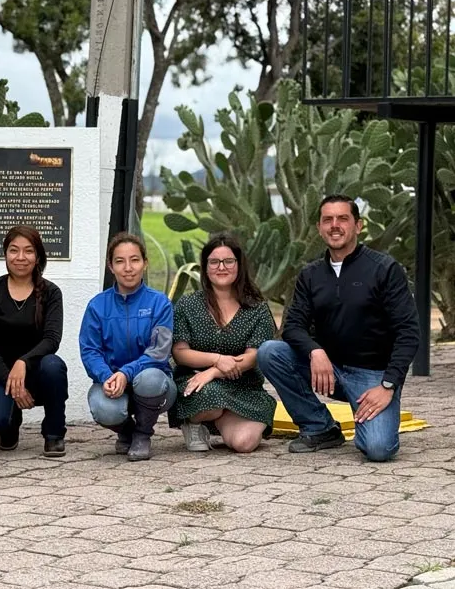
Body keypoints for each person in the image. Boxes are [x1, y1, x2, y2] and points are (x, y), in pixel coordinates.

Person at [257, 195, 421, 462]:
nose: (335, 225)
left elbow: (409, 331)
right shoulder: (310, 275)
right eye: (328, 220)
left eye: (343, 219)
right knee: (270, 352)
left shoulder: (384, 269)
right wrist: (315, 351)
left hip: (373, 377)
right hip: (327, 370)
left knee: (378, 449)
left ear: (358, 225)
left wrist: (389, 384)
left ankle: (372, 416)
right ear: (320, 228)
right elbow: (293, 326)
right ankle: (319, 427)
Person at [168, 233, 277, 453]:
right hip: (196, 380)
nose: (221, 267)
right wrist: (217, 360)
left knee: (244, 444)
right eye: (214, 262)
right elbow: (180, 353)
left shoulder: (257, 308)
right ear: (206, 267)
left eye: (228, 261)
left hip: (243, 385)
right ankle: (195, 422)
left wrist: (214, 372)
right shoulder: (188, 304)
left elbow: (254, 355)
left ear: (239, 265)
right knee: (209, 396)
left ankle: (218, 417)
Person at [79, 232, 176, 461]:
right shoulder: (97, 305)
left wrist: (126, 372)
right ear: (110, 267)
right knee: (103, 408)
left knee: (150, 379)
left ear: (145, 263)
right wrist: (107, 376)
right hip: (112, 382)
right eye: (120, 261)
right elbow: (90, 351)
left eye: (134, 260)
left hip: (154, 383)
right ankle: (127, 432)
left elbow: (159, 351)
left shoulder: (159, 302)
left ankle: (143, 434)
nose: (128, 268)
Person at [0, 225, 69, 457]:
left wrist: (23, 362)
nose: (20, 257)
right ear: (5, 254)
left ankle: (54, 434)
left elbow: (52, 339)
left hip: (39, 371)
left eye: (28, 251)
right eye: (14, 250)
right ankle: (10, 423)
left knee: (54, 365)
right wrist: (11, 380)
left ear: (37, 256)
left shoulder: (51, 293)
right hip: (2, 373)